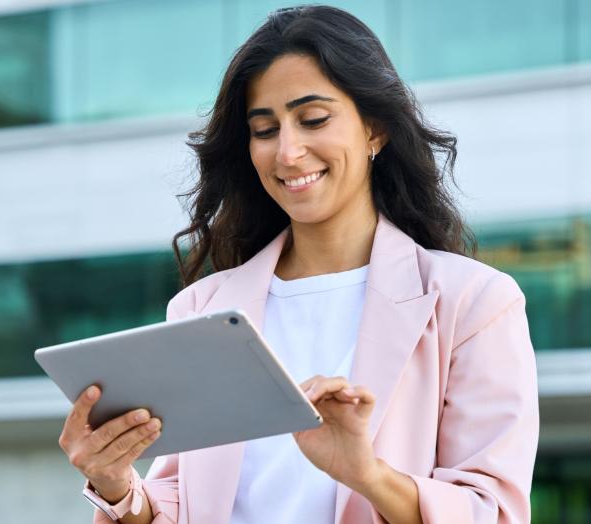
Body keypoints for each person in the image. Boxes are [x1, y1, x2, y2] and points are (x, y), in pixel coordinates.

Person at [55, 5, 538, 523]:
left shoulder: (474, 302)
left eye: (313, 119)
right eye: (264, 129)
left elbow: (494, 511)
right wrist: (116, 487)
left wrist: (367, 475)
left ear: (374, 129)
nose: (287, 151)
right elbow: (184, 504)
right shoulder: (202, 307)